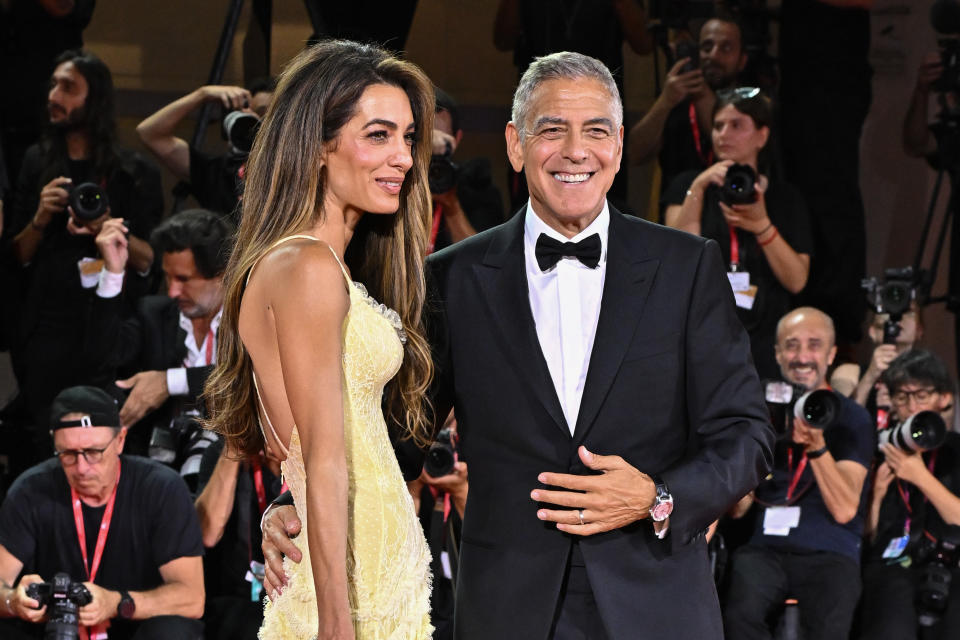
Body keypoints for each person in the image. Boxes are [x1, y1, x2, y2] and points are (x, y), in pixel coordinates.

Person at [264, 50, 774, 639]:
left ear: (618, 147)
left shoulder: (686, 266)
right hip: (507, 607)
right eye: (552, 129)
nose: (576, 151)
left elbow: (746, 433)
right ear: (514, 144)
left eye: (597, 131)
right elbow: (398, 437)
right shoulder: (451, 278)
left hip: (656, 604)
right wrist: (292, 501)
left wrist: (658, 498)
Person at [203, 40, 436, 639]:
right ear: (317, 145)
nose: (404, 158)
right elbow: (323, 455)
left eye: (408, 137)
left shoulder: (309, 264)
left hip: (374, 570)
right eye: (378, 135)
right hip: (351, 590)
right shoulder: (307, 267)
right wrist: (337, 624)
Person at [4, 48, 163, 431]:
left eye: (67, 87)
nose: (53, 96)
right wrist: (40, 218)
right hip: (45, 332)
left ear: (96, 99)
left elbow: (150, 260)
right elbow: (14, 256)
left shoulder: (132, 172)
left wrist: (104, 225)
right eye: (53, 85)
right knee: (44, 437)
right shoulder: (34, 162)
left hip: (112, 331)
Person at [0, 385, 205, 640]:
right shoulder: (31, 491)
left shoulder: (161, 489)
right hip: (53, 629)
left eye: (94, 452)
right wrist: (13, 601)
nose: (82, 467)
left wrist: (116, 603)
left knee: (173, 631)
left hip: (132, 629)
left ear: (120, 441)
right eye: (68, 454)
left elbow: (192, 598)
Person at [723, 307, 874, 640]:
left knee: (828, 622)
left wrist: (816, 448)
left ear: (832, 354)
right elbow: (739, 509)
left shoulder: (853, 418)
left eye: (814, 344)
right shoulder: (761, 413)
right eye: (791, 345)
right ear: (777, 354)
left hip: (830, 552)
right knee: (738, 616)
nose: (802, 355)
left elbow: (846, 508)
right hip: (766, 550)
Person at [663, 88, 812, 379]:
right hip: (699, 336)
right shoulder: (688, 186)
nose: (723, 134)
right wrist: (700, 186)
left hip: (766, 343)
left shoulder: (786, 198)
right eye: (718, 126)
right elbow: (674, 259)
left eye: (737, 125)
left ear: (762, 136)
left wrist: (762, 227)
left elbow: (797, 280)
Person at [85, 209, 233, 480]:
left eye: (184, 279)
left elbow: (251, 375)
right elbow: (100, 361)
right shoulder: (153, 314)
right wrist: (113, 273)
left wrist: (169, 382)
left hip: (231, 472)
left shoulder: (252, 319)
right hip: (155, 474)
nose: (172, 291)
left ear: (222, 275)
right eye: (168, 277)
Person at [858, 349, 960, 640]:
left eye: (922, 395)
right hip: (893, 565)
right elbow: (868, 536)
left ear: (942, 398)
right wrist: (876, 494)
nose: (912, 406)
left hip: (952, 565)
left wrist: (919, 476)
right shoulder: (882, 451)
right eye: (902, 397)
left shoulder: (956, 449)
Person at [629, 16, 748, 200]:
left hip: (731, 211)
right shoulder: (675, 99)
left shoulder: (752, 103)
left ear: (742, 60)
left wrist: (702, 95)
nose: (714, 55)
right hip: (676, 212)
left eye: (726, 48)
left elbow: (738, 154)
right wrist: (665, 102)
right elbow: (634, 154)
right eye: (707, 47)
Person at [136, 78, 275, 219]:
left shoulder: (295, 171)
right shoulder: (217, 172)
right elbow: (149, 134)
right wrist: (202, 94)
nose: (261, 123)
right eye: (258, 114)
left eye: (270, 116)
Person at [194, 436, 283, 640]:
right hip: (236, 598)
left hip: (294, 594)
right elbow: (207, 534)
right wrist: (234, 448)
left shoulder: (312, 456)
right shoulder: (220, 453)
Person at [428, 88, 504, 253]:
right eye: (427, 140)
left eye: (442, 140)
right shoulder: (396, 180)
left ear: (457, 138)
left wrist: (451, 204)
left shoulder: (477, 185)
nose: (435, 150)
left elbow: (484, 258)